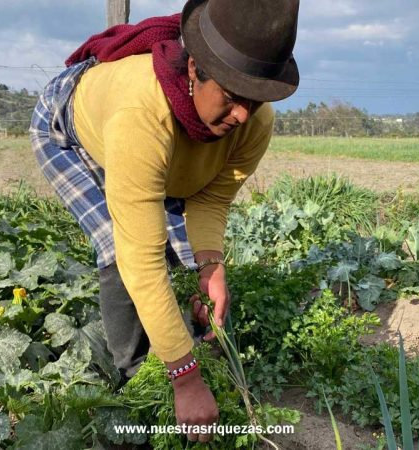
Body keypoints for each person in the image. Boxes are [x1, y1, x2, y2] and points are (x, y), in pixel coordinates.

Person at [30, 0, 300, 443]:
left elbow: (211, 197)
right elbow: (140, 257)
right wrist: (184, 378)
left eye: (255, 102)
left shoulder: (253, 121)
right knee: (122, 249)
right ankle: (138, 381)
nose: (242, 117)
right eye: (232, 99)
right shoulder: (141, 114)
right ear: (194, 69)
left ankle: (209, 363)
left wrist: (211, 268)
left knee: (190, 259)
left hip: (163, 149)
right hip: (72, 130)